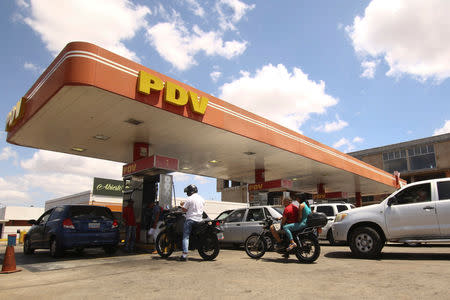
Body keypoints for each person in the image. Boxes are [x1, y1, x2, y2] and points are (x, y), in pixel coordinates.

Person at [179, 184, 205, 261]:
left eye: (188, 192)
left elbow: (184, 210)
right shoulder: (202, 199)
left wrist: (182, 207)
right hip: (200, 220)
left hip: (190, 219)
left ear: (190, 191)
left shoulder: (189, 198)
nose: (187, 193)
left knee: (185, 237)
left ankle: (184, 255)